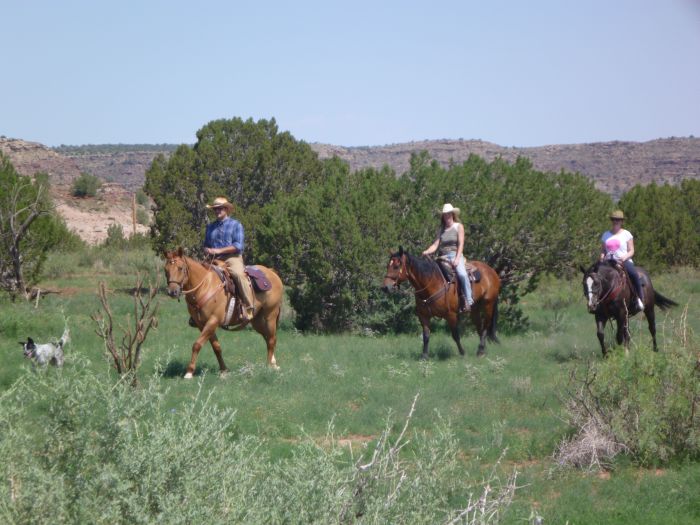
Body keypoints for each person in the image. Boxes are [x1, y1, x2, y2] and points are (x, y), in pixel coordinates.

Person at [203, 196, 255, 321]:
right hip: (214, 259)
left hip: (232, 258)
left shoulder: (235, 225)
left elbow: (238, 245)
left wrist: (219, 250)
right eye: (215, 209)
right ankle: (199, 311)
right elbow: (206, 244)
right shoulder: (210, 227)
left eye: (220, 208)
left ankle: (249, 307)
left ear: (226, 209)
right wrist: (207, 250)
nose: (217, 211)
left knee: (238, 275)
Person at [422, 203, 473, 312]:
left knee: (462, 274)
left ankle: (468, 300)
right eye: (445, 215)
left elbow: (461, 244)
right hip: (442, 257)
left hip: (455, 255)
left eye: (449, 214)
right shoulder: (441, 230)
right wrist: (426, 251)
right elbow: (435, 245)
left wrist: (457, 258)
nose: (447, 217)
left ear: (453, 214)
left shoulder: (458, 226)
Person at [600, 209, 644, 310]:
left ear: (622, 221)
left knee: (634, 275)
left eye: (618, 220)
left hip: (623, 261)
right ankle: (597, 302)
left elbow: (632, 250)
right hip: (608, 262)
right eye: (614, 219)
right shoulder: (605, 235)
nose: (616, 221)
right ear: (611, 221)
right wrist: (601, 258)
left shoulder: (626, 234)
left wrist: (624, 257)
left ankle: (640, 299)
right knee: (596, 278)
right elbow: (603, 250)